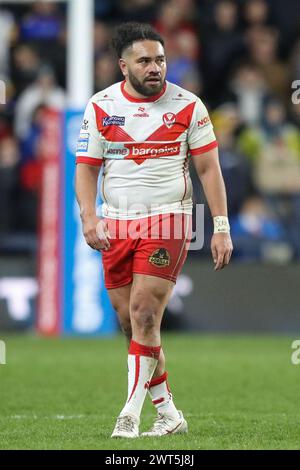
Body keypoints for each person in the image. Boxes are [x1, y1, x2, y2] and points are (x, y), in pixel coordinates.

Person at [75, 22, 233, 438]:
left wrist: (220, 226)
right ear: (123, 64)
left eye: (160, 59)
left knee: (146, 313)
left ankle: (128, 414)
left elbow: (208, 169)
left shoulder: (189, 105)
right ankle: (169, 413)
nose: (155, 68)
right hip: (117, 222)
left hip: (169, 219)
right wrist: (89, 218)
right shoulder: (101, 106)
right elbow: (86, 170)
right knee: (132, 324)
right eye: (144, 60)